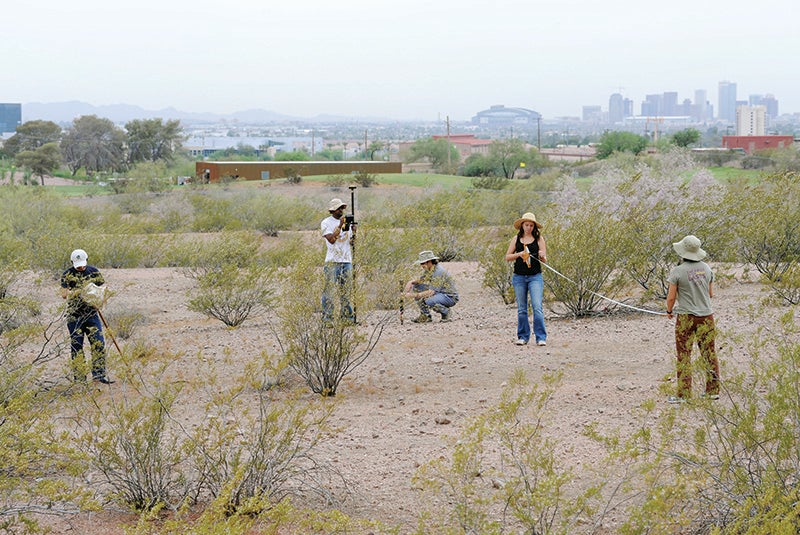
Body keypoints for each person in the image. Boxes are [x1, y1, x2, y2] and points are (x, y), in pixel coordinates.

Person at [665, 235, 719, 403]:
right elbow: (710, 294)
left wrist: (669, 311)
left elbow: (671, 298)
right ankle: (713, 390)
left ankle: (684, 394)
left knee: (684, 354)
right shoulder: (707, 269)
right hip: (706, 316)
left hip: (686, 318)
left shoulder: (677, 271)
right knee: (709, 353)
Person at [60, 249, 114, 384]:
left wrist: (98, 298)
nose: (81, 267)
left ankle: (99, 375)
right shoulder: (67, 274)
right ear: (72, 262)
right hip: (74, 317)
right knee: (77, 346)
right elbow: (64, 294)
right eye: (78, 265)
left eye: (82, 264)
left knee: (98, 343)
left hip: (92, 314)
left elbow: (103, 288)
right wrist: (81, 291)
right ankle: (79, 378)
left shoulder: (93, 271)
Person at [505, 212, 548, 346]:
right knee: (522, 308)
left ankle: (541, 337)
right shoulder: (516, 239)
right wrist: (519, 254)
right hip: (519, 277)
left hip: (535, 277)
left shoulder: (539, 238)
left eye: (531, 225)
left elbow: (545, 259)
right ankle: (523, 336)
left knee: (537, 307)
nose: (528, 227)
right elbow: (507, 257)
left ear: (534, 227)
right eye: (526, 225)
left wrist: (542, 256)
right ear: (522, 226)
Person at [321, 198, 356, 323]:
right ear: (333, 210)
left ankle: (347, 317)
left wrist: (354, 232)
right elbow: (331, 239)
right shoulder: (326, 223)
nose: (341, 210)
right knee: (329, 291)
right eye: (339, 208)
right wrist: (340, 225)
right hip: (332, 261)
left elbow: (351, 242)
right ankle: (328, 319)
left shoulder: (348, 223)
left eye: (342, 208)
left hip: (346, 261)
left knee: (345, 291)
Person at [404, 250, 459, 323]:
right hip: (439, 293)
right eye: (421, 263)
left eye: (423, 263)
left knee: (429, 301)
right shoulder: (430, 269)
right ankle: (425, 315)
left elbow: (431, 292)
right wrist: (411, 282)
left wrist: (413, 295)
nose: (421, 265)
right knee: (417, 287)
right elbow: (422, 280)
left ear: (429, 261)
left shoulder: (438, 271)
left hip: (449, 297)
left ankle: (446, 312)